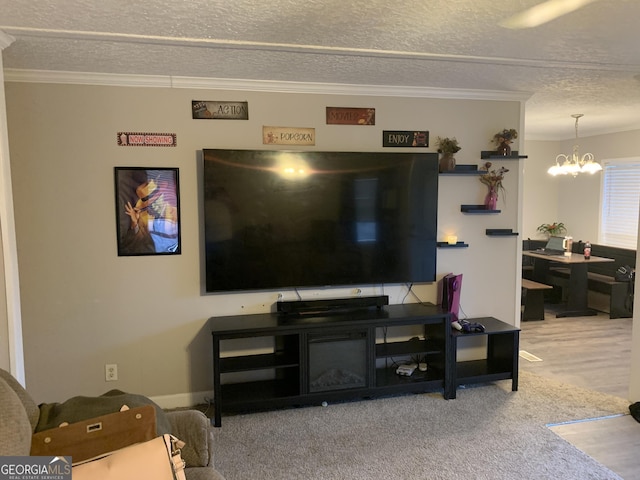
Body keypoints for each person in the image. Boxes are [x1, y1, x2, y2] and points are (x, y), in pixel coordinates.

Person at [120, 173, 179, 254]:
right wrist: (135, 223)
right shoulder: (143, 216)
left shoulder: (174, 209)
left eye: (156, 200)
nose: (153, 206)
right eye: (150, 204)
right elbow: (137, 241)